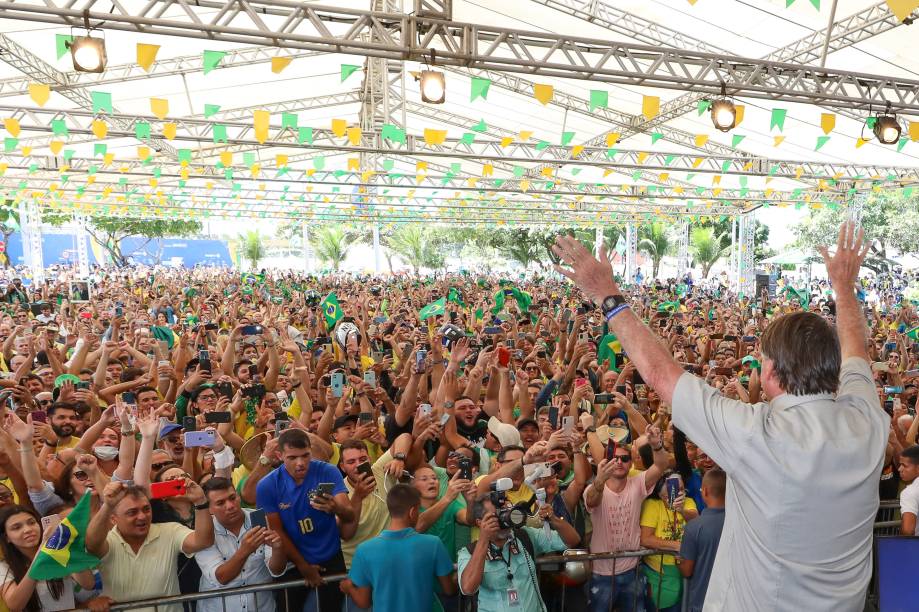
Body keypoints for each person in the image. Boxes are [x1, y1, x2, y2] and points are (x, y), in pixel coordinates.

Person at [553, 221, 889, 611]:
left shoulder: (754, 434)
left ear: (770, 371)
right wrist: (845, 288)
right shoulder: (868, 423)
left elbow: (662, 375)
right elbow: (857, 353)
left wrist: (607, 295)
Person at [255, 428, 354, 612]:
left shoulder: (328, 471)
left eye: (305, 455)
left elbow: (349, 515)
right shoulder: (267, 485)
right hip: (292, 563)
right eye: (292, 457)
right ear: (279, 455)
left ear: (311, 451)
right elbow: (277, 531)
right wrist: (303, 566)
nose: (300, 463)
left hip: (330, 558)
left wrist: (336, 508)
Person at [84, 481, 215, 612]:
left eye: (146, 509)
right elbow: (92, 544)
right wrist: (107, 505)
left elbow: (203, 541)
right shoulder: (108, 542)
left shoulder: (170, 531)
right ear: (113, 519)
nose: (142, 516)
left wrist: (200, 502)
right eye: (132, 512)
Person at [582, 429, 670, 612]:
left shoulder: (637, 483)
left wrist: (657, 445)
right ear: (606, 462)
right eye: (615, 458)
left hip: (632, 570)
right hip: (602, 573)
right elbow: (592, 500)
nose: (620, 462)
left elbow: (661, 465)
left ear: (631, 463)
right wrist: (599, 481)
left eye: (625, 459)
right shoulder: (594, 487)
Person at [457, 489, 577, 612]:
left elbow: (572, 540)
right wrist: (483, 540)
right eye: (496, 516)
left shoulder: (525, 536)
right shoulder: (469, 552)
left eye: (505, 512)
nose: (504, 519)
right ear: (480, 522)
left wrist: (553, 519)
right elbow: (467, 588)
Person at [341, 483, 456, 612]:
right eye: (418, 510)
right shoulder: (433, 543)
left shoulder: (364, 549)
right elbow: (449, 589)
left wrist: (349, 587)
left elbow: (363, 602)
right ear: (412, 512)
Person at [195, 478, 287, 612]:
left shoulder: (259, 519)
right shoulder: (204, 533)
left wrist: (278, 549)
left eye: (232, 498)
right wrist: (245, 550)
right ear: (209, 509)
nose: (230, 505)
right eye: (220, 503)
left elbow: (276, 570)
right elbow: (221, 577)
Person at [0, 505, 96, 611]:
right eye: (17, 527)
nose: (27, 529)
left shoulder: (58, 552)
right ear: (7, 537)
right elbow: (15, 606)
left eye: (31, 522)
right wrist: (42, 551)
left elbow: (88, 584)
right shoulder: (4, 567)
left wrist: (68, 547)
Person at [678, 469, 727, 612]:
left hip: (702, 601)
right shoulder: (739, 523)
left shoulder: (694, 527)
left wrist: (677, 559)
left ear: (705, 491)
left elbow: (687, 570)